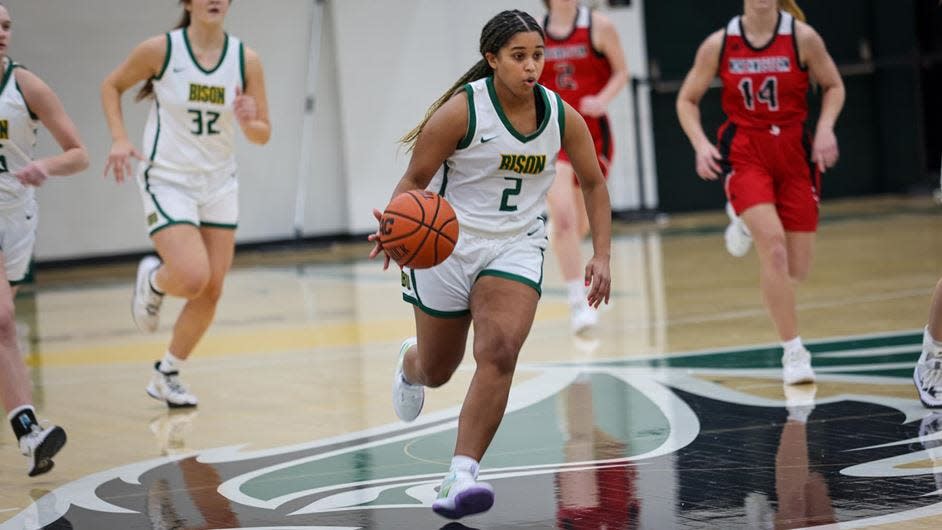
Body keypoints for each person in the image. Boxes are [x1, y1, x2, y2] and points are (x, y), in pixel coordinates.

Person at [368, 9, 612, 520]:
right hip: (448, 245)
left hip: (516, 246)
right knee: (439, 370)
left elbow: (593, 182)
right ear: (492, 59)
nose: (531, 67)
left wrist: (602, 254)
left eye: (538, 56)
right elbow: (415, 179)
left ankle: (461, 473)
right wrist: (394, 230)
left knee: (499, 350)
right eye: (519, 56)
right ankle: (411, 363)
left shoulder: (561, 116)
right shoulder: (462, 112)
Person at [101, 0, 270, 408]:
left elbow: (263, 134)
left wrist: (250, 121)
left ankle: (167, 373)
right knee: (193, 276)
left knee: (211, 289)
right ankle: (155, 281)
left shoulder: (246, 60)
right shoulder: (160, 50)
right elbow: (112, 86)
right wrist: (120, 139)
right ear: (187, 3)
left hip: (218, 181)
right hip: (168, 177)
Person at [676, 0, 844, 385]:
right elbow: (686, 99)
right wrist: (701, 144)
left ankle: (744, 222)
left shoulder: (802, 38)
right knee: (775, 248)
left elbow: (834, 85)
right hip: (746, 151)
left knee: (796, 269)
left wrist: (825, 128)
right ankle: (795, 352)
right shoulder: (720, 43)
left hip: (794, 152)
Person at [0, 2, 89, 475]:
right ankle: (30, 432)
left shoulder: (26, 85)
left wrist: (45, 166)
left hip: (17, 218)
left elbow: (79, 154)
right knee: (3, 319)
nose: (2, 33)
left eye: (7, 26)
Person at [539, 0, 628, 334]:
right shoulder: (536, 32)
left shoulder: (599, 26)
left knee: (579, 225)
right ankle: (578, 303)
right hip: (552, 135)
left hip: (592, 133)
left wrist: (603, 99)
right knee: (563, 218)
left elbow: (622, 71)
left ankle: (564, 236)